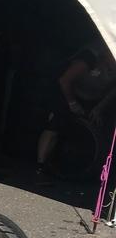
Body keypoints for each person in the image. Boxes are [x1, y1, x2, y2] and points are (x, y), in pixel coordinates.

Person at [37, 44, 116, 181]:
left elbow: (113, 90)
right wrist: (72, 103)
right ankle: (41, 166)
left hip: (93, 100)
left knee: (98, 126)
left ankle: (86, 168)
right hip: (68, 92)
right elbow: (64, 80)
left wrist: (99, 108)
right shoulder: (90, 58)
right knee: (56, 124)